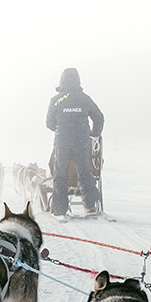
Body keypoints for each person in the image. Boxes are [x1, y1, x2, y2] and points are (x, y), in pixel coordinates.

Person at [45, 67, 104, 215]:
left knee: (60, 175)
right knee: (84, 173)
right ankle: (90, 205)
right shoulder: (85, 99)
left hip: (62, 142)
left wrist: (60, 130)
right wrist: (94, 133)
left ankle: (59, 209)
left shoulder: (56, 100)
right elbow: (99, 117)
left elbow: (49, 123)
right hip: (82, 140)